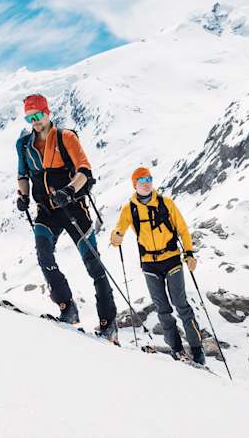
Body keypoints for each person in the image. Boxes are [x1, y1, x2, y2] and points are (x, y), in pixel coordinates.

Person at [15, 94, 118, 342]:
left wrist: (69, 191)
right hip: (46, 211)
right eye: (29, 117)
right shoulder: (24, 145)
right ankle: (67, 307)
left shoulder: (66, 137)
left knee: (93, 264)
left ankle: (108, 322)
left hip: (73, 208)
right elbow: (23, 175)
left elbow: (84, 170)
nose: (34, 121)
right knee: (44, 254)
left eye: (37, 115)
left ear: (47, 113)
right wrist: (23, 196)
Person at [110, 167, 204, 364]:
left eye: (149, 179)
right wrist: (116, 236)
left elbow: (182, 229)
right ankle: (177, 350)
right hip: (149, 264)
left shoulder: (166, 203)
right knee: (162, 309)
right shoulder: (129, 209)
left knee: (181, 304)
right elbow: (119, 229)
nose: (146, 183)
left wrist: (189, 253)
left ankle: (197, 350)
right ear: (134, 184)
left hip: (171, 259)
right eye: (141, 180)